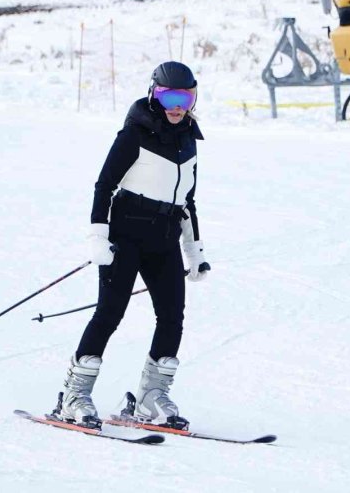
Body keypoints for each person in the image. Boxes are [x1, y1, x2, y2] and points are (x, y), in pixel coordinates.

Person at [54, 61, 210, 430]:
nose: (176, 106)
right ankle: (74, 395)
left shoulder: (189, 142)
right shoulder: (133, 136)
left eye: (184, 98)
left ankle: (150, 397)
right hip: (125, 239)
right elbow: (103, 187)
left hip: (165, 241)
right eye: (168, 96)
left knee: (172, 318)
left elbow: (187, 202)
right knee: (109, 315)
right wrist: (98, 237)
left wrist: (195, 253)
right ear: (154, 94)